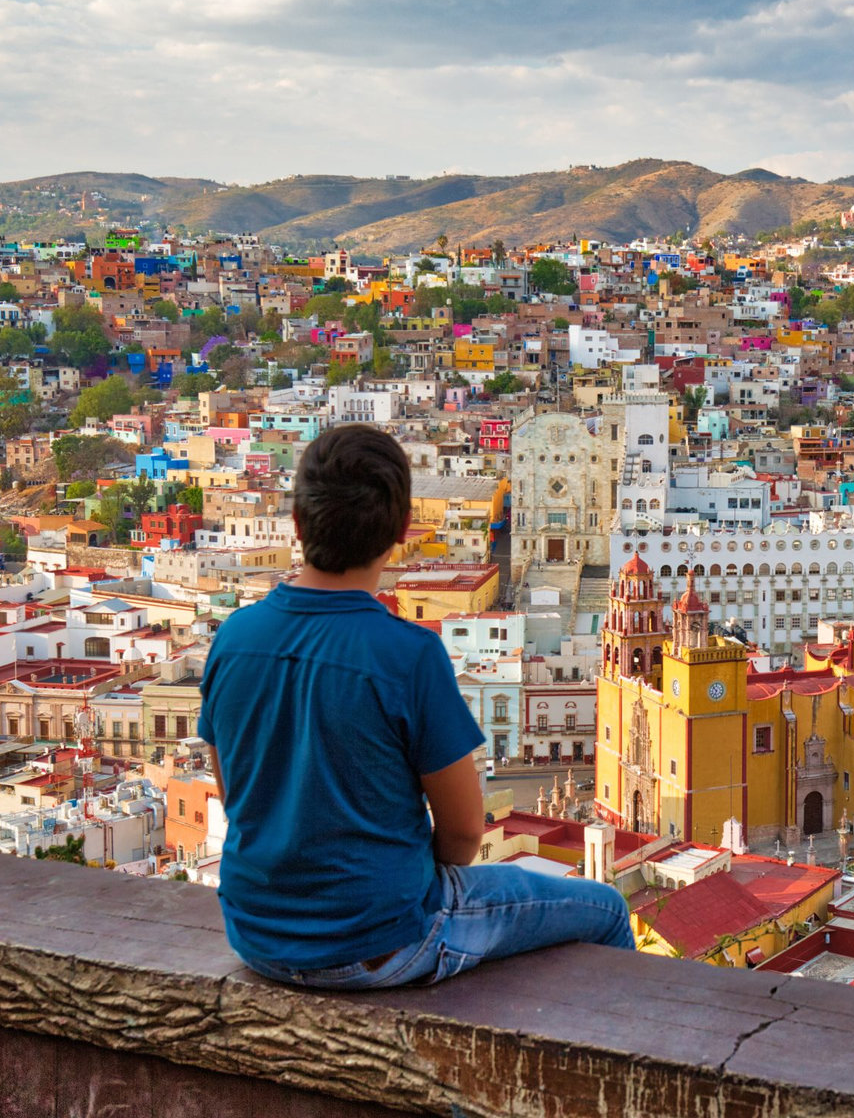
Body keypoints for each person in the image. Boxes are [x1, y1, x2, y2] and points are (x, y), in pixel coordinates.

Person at [198, 424, 633, 990]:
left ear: (298, 523)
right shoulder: (408, 654)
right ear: (403, 529)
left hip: (256, 935)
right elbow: (463, 835)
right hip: (383, 943)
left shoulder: (233, 637)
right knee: (606, 909)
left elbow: (235, 795)